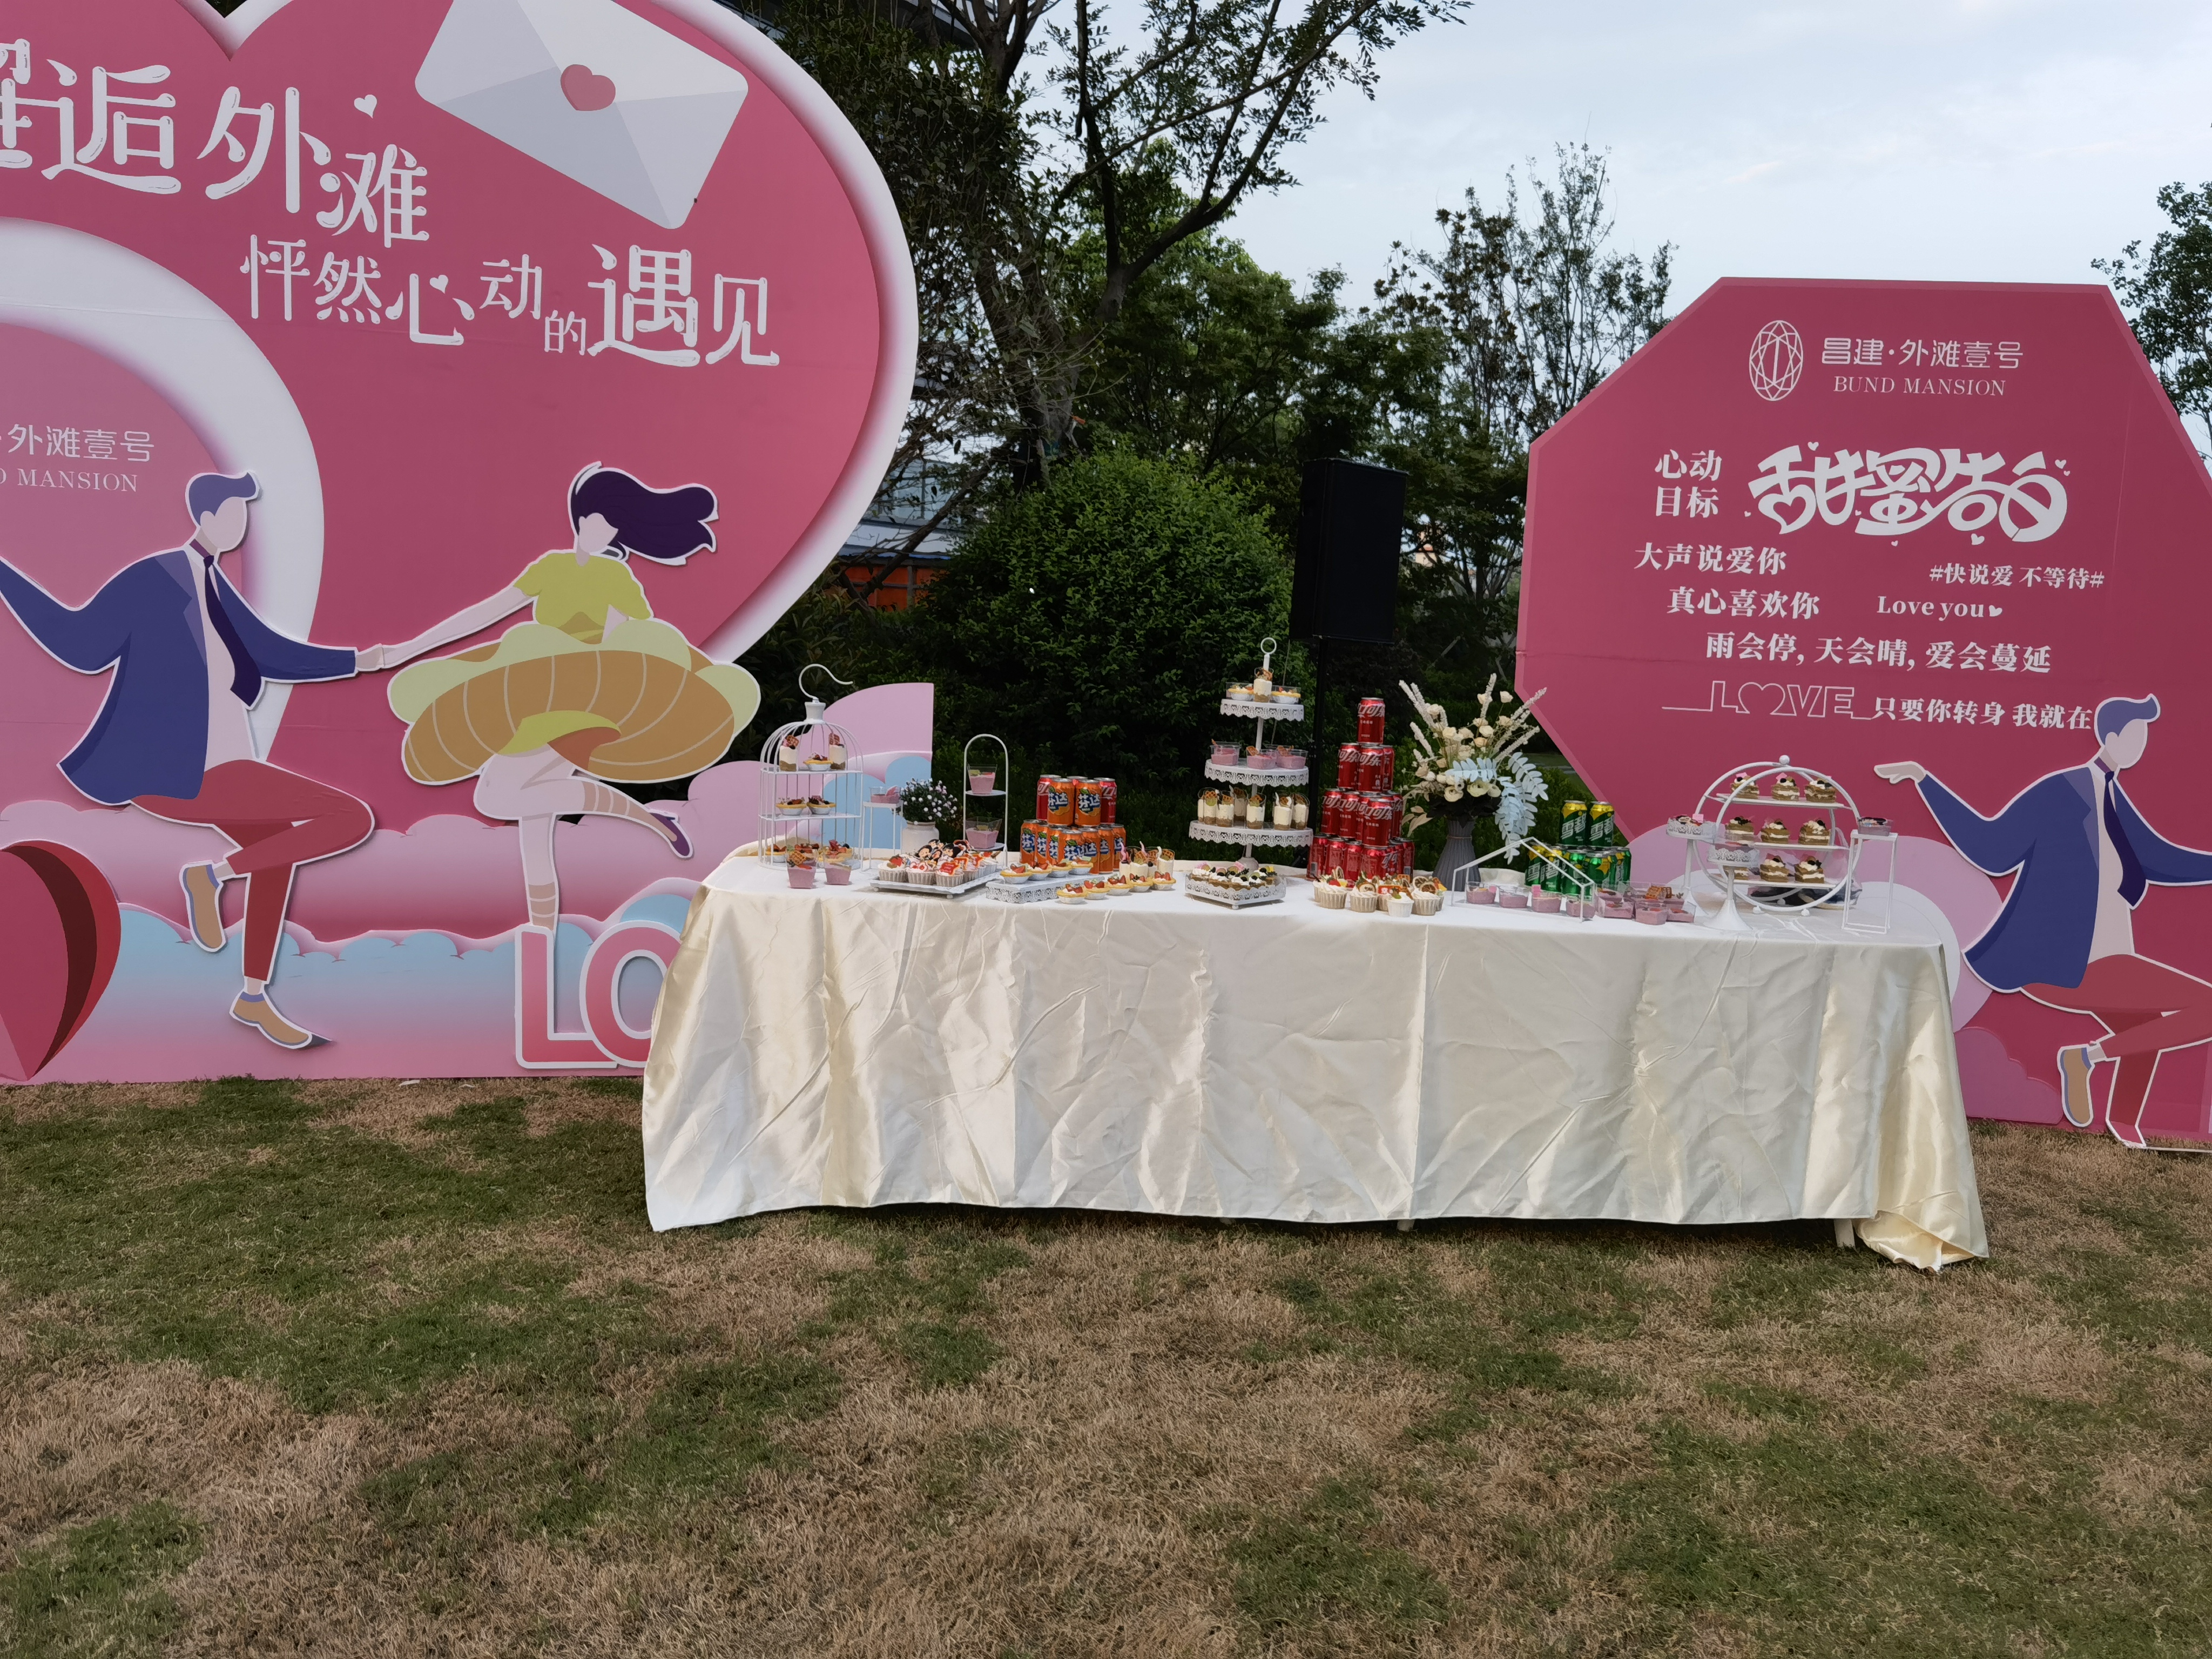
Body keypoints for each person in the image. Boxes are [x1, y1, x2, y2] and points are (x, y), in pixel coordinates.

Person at [0, 471, 384, 1049]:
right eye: (233, 511)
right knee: (349, 816)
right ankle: (211, 877)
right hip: (180, 770)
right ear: (205, 517)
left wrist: (361, 660)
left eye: (247, 511)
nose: (243, 522)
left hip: (223, 762)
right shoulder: (156, 577)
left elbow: (270, 652)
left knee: (277, 851)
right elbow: (80, 642)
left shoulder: (214, 586)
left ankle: (253, 996)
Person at [373, 464, 757, 935]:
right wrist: (410, 649)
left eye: (614, 526)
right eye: (600, 520)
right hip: (537, 693)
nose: (606, 532)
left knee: (495, 795)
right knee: (535, 826)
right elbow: (489, 612)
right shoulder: (551, 567)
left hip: (584, 700)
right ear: (582, 517)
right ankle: (545, 936)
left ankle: (648, 825)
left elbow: (628, 640)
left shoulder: (615, 575)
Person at [1877, 694, 2212, 1147]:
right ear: (2111, 736)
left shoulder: (2113, 799)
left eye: (2146, 735)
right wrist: (1925, 780)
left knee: (2145, 1027)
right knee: (2204, 1007)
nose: (2142, 743)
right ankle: (2086, 1058)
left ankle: (2123, 1122)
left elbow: (2159, 858)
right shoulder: (2063, 791)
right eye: (2136, 734)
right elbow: (1992, 848)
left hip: (2106, 954)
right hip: (2063, 961)